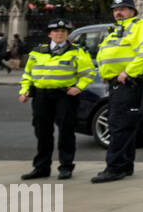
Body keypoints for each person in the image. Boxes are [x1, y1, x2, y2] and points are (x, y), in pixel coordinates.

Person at [91, 0, 143, 183]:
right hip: (115, 82)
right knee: (123, 124)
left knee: (118, 125)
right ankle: (125, 165)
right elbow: (103, 53)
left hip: (128, 82)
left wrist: (127, 73)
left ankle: (114, 168)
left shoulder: (140, 26)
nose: (118, 12)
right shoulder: (114, 29)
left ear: (132, 10)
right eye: (116, 9)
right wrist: (104, 72)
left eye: (122, 9)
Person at [19, 19, 95, 180]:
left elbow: (89, 73)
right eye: (55, 31)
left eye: (63, 31)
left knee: (66, 131)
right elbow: (27, 74)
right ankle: (41, 167)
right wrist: (24, 91)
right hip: (41, 95)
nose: (59, 34)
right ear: (49, 34)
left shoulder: (77, 51)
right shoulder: (38, 51)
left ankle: (66, 167)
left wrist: (79, 87)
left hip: (65, 96)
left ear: (67, 34)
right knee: (42, 132)